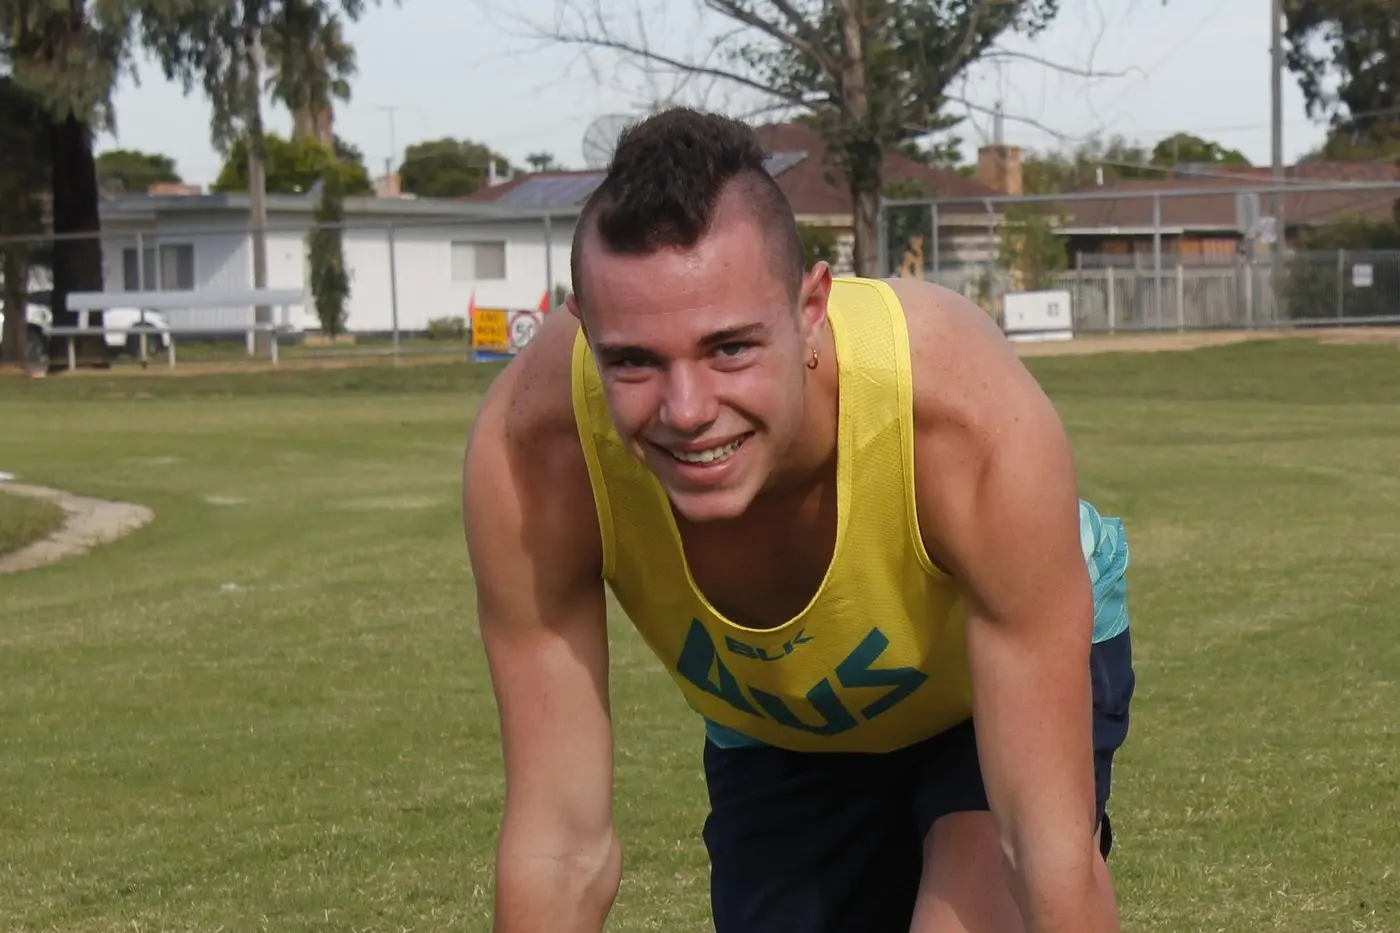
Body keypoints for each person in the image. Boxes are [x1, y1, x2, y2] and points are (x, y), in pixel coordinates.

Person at [462, 107, 1135, 933]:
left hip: (982, 684)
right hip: (783, 717)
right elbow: (560, 847)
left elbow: (1045, 852)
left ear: (810, 307)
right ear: (583, 327)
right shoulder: (535, 447)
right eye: (632, 360)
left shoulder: (958, 415)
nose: (687, 410)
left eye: (730, 348)